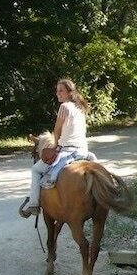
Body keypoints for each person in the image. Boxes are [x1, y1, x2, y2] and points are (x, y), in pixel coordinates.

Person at [19, 78, 90, 218]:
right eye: (57, 91)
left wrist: (56, 144)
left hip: (69, 150)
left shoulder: (64, 107)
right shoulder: (80, 107)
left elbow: (57, 130)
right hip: (83, 150)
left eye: (61, 91)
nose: (58, 94)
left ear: (70, 92)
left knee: (35, 169)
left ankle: (33, 203)